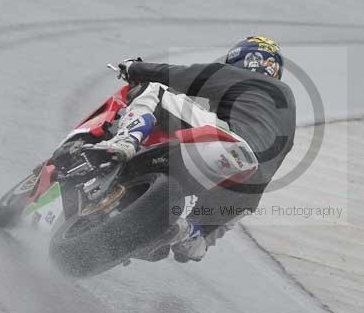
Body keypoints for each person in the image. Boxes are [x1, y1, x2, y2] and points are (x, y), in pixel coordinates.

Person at [93, 36, 296, 262]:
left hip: (228, 142)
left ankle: (126, 140)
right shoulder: (286, 114)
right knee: (217, 220)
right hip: (248, 187)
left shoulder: (246, 78)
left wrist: (135, 68)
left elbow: (187, 76)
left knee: (154, 90)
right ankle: (191, 235)